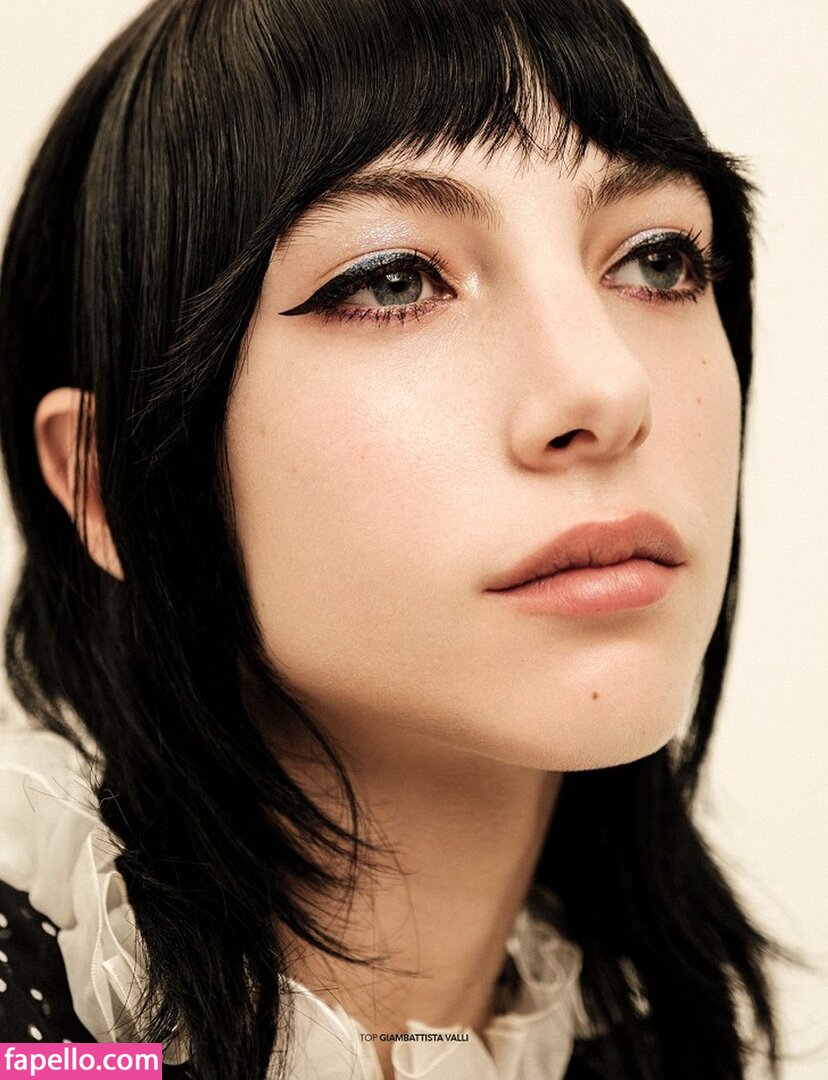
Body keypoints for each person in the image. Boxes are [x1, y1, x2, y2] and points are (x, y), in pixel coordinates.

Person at [0, 0, 782, 1077]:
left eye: (656, 260)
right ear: (106, 488)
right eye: (394, 279)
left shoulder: (649, 1042)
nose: (608, 389)